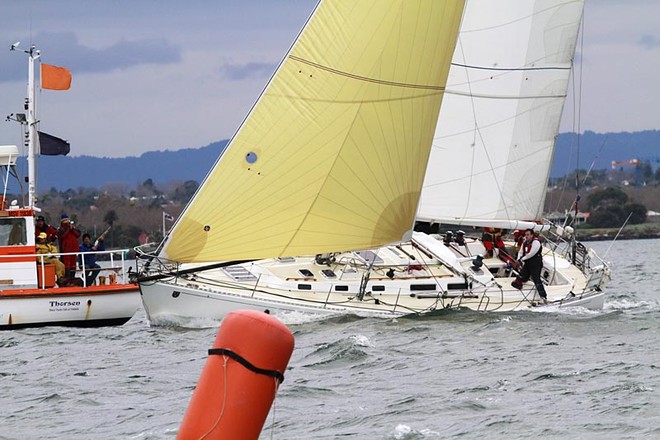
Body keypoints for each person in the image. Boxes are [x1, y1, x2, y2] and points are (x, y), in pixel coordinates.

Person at [511, 228, 548, 303]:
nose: (526, 236)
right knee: (521, 276)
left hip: (535, 263)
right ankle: (519, 287)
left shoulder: (536, 242)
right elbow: (521, 251)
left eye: (528, 235)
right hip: (527, 263)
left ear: (532, 235)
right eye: (525, 235)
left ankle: (543, 296)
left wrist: (522, 259)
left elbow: (531, 253)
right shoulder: (525, 242)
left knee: (536, 279)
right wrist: (519, 258)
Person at [57, 213, 81, 279]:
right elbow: (63, 236)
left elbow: (78, 234)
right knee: (67, 265)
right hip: (66, 250)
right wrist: (68, 229)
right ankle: (67, 278)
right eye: (65, 221)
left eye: (67, 221)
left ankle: (72, 278)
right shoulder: (60, 230)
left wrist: (72, 229)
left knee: (73, 265)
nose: (66, 222)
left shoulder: (72, 228)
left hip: (73, 250)